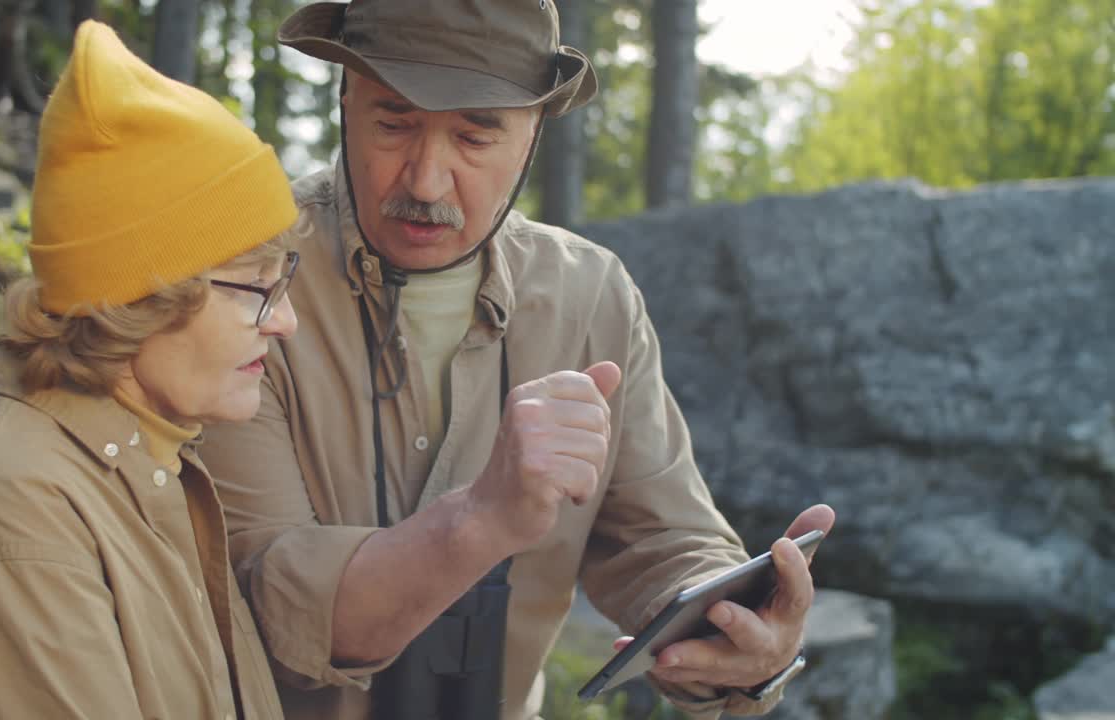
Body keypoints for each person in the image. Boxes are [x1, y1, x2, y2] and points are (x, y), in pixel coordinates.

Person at [198, 1, 836, 718]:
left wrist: (736, 636)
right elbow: (267, 595)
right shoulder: (243, 275)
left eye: (474, 136)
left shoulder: (590, 296)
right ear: (344, 99)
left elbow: (662, 537)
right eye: (393, 122)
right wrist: (481, 520)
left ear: (535, 132)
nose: (426, 182)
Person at [0, 21, 300, 719]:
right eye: (257, 287)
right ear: (144, 298)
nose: (285, 320)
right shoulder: (19, 516)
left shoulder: (148, 464)